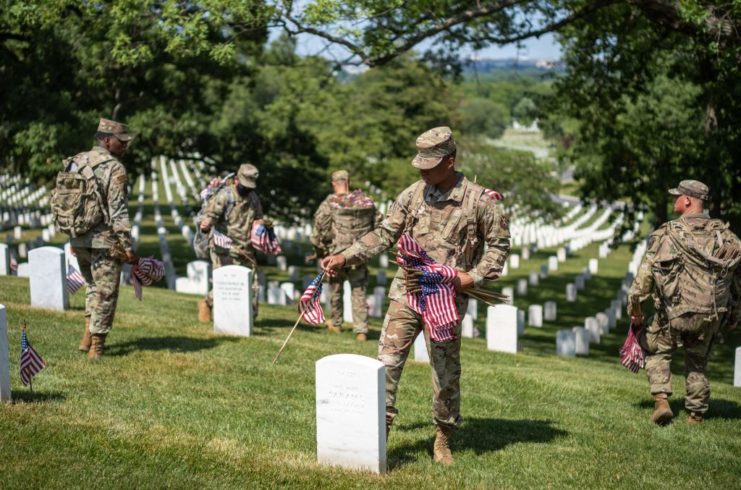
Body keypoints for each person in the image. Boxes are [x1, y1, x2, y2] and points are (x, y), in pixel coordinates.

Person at [321, 127, 510, 464]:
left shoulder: (480, 201)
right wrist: (344, 256)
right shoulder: (413, 194)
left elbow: (498, 245)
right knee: (387, 363)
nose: (422, 170)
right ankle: (378, 432)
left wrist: (473, 276)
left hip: (446, 301)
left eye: (430, 164)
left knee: (445, 371)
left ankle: (442, 438)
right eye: (420, 163)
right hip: (406, 293)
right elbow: (383, 234)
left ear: (450, 161)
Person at [628, 179, 741, 425]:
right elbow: (736, 281)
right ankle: (696, 415)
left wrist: (635, 309)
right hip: (710, 314)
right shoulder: (727, 237)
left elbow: (644, 278)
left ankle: (661, 400)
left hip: (674, 315)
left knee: (654, 348)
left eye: (677, 196)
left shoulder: (667, 234)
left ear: (687, 200)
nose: (674, 200)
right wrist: (734, 315)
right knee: (697, 363)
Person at [69, 118, 138, 359]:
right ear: (107, 141)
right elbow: (118, 211)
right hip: (104, 241)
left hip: (78, 237)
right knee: (106, 292)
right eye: (122, 142)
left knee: (92, 286)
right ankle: (97, 344)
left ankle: (87, 335)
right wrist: (127, 247)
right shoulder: (114, 167)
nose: (125, 146)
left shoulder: (75, 161)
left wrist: (72, 237)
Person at [311, 169, 381, 341]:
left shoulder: (331, 202)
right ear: (348, 182)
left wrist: (321, 249)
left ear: (334, 183)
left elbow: (320, 226)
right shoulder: (366, 201)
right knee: (359, 291)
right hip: (359, 254)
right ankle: (361, 330)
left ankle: (336, 323)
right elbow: (379, 224)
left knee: (335, 289)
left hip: (336, 254)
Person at [199, 163, 263, 321]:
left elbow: (258, 217)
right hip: (224, 248)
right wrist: (206, 225)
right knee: (225, 284)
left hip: (246, 248)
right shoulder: (225, 196)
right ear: (236, 180)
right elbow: (210, 215)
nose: (247, 190)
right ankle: (208, 303)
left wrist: (260, 227)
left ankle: (249, 319)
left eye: (250, 187)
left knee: (253, 285)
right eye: (244, 186)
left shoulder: (253, 199)